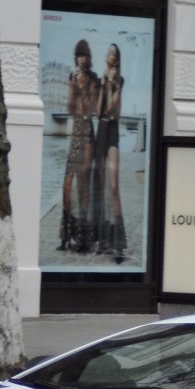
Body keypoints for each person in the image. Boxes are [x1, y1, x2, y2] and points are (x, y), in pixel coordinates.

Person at [59, 39, 99, 252]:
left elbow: (91, 109)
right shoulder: (73, 76)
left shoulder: (93, 78)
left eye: (84, 54)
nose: (81, 58)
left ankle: (84, 237)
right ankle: (66, 235)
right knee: (67, 185)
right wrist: (73, 86)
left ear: (88, 57)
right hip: (76, 134)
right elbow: (71, 109)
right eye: (78, 55)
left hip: (88, 135)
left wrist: (84, 87)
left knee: (84, 186)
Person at [94, 43, 125, 261]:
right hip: (101, 131)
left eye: (113, 52)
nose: (110, 54)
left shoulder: (120, 80)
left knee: (113, 186)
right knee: (102, 187)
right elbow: (98, 111)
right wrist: (104, 82)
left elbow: (112, 109)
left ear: (117, 59)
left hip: (112, 131)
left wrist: (112, 84)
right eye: (108, 51)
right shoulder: (101, 79)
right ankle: (103, 241)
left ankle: (119, 243)